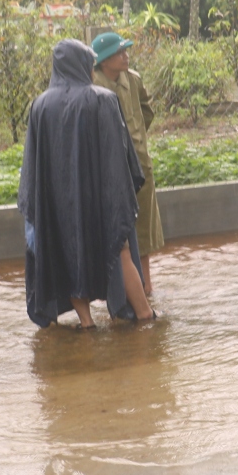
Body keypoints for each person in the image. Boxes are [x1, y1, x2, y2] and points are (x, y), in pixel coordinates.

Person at [19, 39, 154, 328]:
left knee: (66, 252)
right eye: (88, 64)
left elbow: (33, 164)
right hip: (100, 196)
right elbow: (118, 153)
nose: (92, 71)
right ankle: (145, 317)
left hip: (57, 200)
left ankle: (86, 322)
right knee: (122, 250)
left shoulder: (40, 106)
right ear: (80, 65)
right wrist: (122, 191)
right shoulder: (102, 99)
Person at [92, 31, 162, 296]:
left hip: (140, 165)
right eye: (119, 52)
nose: (126, 56)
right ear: (104, 60)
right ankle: (122, 291)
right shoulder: (93, 87)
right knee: (117, 229)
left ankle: (145, 286)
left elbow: (146, 111)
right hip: (110, 169)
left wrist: (136, 144)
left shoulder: (132, 80)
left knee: (144, 227)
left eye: (125, 51)